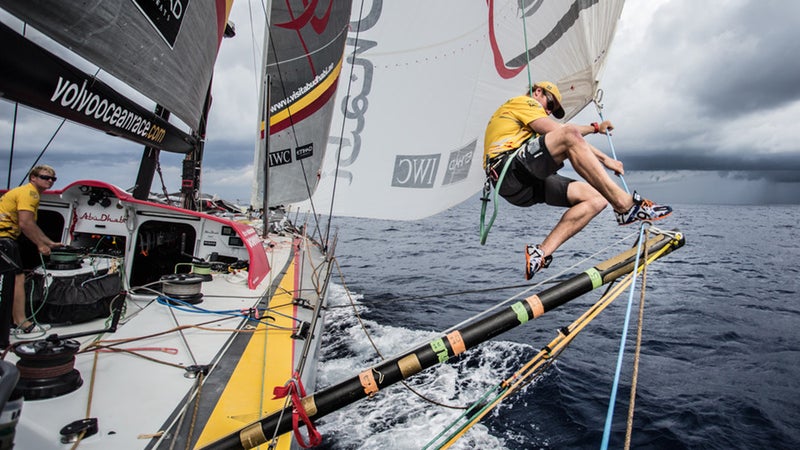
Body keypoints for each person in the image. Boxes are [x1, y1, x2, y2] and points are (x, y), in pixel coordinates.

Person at [484, 81, 672, 279]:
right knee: (568, 135)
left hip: (523, 186)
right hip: (509, 170)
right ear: (538, 92)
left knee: (596, 200)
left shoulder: (527, 124)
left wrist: (598, 137)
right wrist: (604, 153)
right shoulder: (523, 102)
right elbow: (564, 132)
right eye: (549, 105)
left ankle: (541, 253)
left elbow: (568, 135)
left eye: (552, 110)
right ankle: (625, 206)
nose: (548, 111)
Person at [0, 165, 61, 338]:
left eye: (52, 179)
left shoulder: (25, 192)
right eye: (44, 177)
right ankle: (21, 323)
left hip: (5, 239)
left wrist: (48, 242)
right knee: (17, 279)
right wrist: (41, 246)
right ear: (32, 177)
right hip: (3, 239)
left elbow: (32, 226)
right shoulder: (30, 193)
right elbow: (25, 223)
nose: (49, 181)